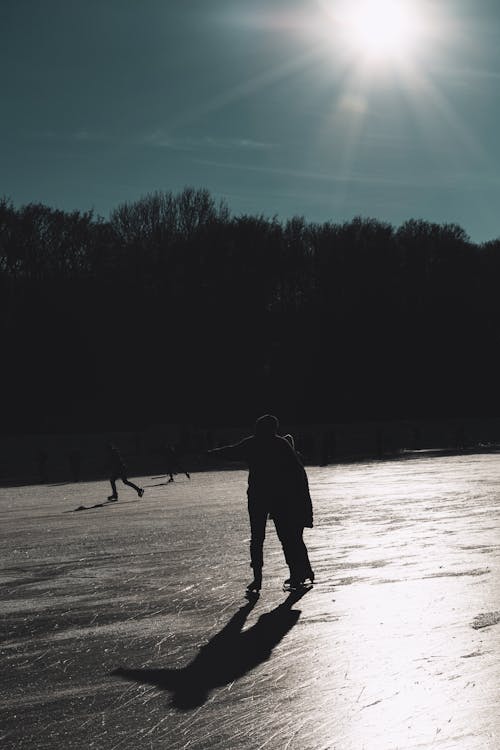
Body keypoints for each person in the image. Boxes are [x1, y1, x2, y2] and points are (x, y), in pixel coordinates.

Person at [208, 414, 314, 593]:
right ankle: (293, 573)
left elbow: (231, 451)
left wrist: (210, 454)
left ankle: (260, 578)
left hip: (264, 497)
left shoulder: (257, 443)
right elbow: (297, 473)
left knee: (261, 538)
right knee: (284, 538)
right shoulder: (278, 444)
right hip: (276, 498)